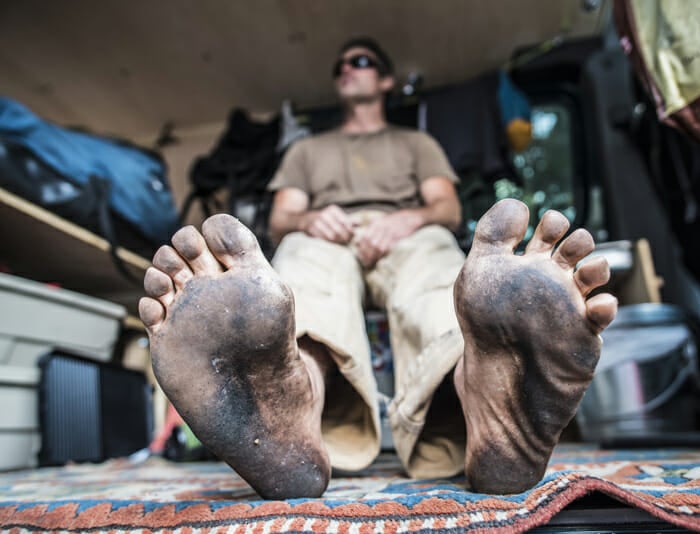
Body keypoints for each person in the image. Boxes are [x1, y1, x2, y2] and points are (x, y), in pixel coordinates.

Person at [138, 37, 617, 500]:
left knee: (435, 273)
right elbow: (284, 217)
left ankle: (482, 392)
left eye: (360, 60)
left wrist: (406, 219)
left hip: (406, 232)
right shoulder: (307, 150)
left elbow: (445, 208)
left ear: (385, 80)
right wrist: (311, 219)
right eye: (341, 65)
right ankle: (288, 402)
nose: (347, 68)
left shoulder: (415, 142)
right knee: (301, 268)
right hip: (327, 236)